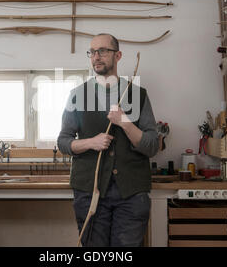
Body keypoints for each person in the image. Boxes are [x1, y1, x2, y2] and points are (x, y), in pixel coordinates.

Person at [57, 33, 159, 247]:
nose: (96, 57)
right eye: (92, 52)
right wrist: (90, 143)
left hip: (131, 193)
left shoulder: (138, 95)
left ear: (118, 55)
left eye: (103, 51)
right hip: (90, 192)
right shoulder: (77, 95)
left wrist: (125, 122)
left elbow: (152, 146)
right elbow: (64, 142)